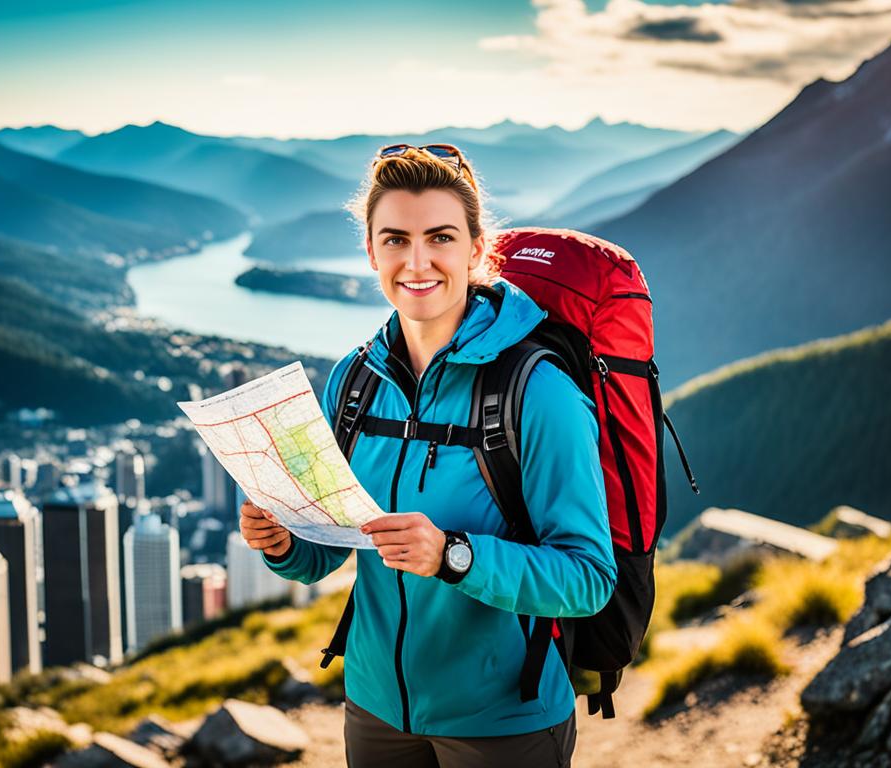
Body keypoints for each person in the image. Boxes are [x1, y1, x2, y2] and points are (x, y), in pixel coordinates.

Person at [240, 143, 617, 767]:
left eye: (440, 237)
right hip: (375, 708)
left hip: (504, 720)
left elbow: (588, 578)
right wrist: (284, 543)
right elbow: (333, 545)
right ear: (370, 251)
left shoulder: (537, 391)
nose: (417, 262)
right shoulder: (354, 380)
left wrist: (452, 555)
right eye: (395, 240)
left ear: (476, 250)